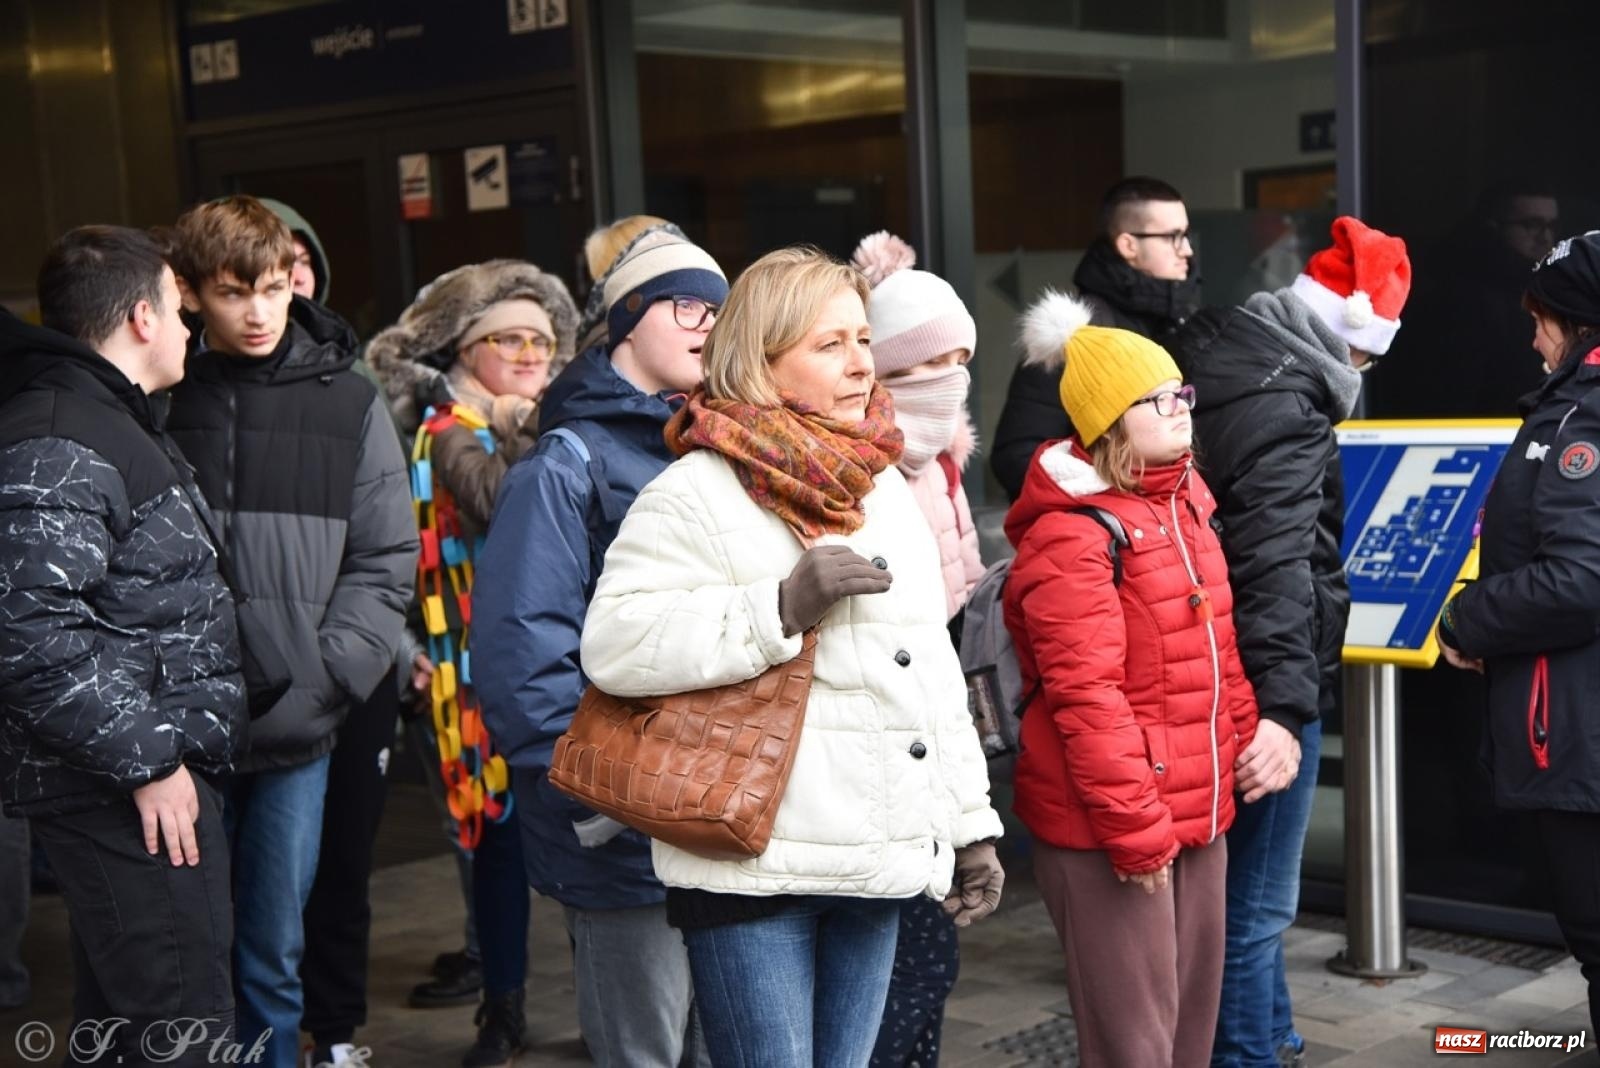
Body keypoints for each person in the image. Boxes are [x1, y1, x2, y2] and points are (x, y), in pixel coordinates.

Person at [576, 245, 1006, 1067]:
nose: (859, 363)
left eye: (861, 339)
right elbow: (617, 647)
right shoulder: (696, 488)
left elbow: (929, 676)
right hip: (750, 863)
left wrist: (968, 827)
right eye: (828, 344)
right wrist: (777, 607)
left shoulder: (877, 485)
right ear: (763, 361)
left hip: (874, 860)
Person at [166, 195, 417, 1068]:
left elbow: (387, 560)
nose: (262, 310)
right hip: (178, 736)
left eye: (274, 287)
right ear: (192, 294)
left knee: (274, 954)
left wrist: (323, 680)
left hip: (300, 729)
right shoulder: (159, 394)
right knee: (185, 958)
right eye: (237, 292)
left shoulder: (348, 402)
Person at [473, 222, 727, 1067]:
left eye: (720, 311)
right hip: (620, 828)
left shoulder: (721, 448)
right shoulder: (565, 462)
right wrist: (594, 799)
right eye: (686, 302)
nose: (707, 323)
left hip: (722, 815)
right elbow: (521, 655)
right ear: (627, 316)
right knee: (643, 1051)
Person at [1167, 216, 1411, 1068]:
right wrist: (1285, 705)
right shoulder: (1289, 402)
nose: (1363, 374)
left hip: (1210, 665)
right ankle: (1247, 1053)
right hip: (1260, 679)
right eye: (1368, 356)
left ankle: (1271, 1036)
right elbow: (1276, 564)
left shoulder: (1228, 356)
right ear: (1344, 335)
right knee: (1257, 904)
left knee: (1242, 898)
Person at [0, 225, 247, 1065]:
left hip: (138, 788)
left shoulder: (102, 419)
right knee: (179, 1030)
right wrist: (149, 759)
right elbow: (26, 628)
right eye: (182, 311)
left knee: (130, 1032)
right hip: (129, 794)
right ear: (142, 317)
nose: (191, 329)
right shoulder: (63, 432)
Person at [1002, 291, 1259, 1067]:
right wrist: (1136, 832)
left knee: (1188, 1036)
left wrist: (1239, 745)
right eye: (1157, 398)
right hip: (1113, 826)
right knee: (1132, 1047)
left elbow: (1219, 646)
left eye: (1182, 391)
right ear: (1108, 420)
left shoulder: (1185, 502)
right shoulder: (1071, 536)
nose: (1181, 407)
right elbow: (1087, 697)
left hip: (1198, 807)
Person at [368, 257, 579, 1068]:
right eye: (509, 339)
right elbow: (497, 498)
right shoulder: (450, 428)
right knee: (497, 842)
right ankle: (503, 1011)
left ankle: (606, 1003)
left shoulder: (533, 417)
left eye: (541, 340)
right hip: (474, 675)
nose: (530, 352)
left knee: (578, 843)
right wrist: (529, 425)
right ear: (467, 351)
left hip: (556, 662)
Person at [251, 198, 408, 1068]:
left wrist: (340, 667)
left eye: (297, 267)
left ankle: (335, 1030)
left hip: (350, 666)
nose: (286, 287)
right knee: (264, 891)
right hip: (248, 681)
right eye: (265, 271)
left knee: (342, 861)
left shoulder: (351, 384)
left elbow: (387, 544)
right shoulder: (193, 387)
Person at [1435, 229, 1600, 1040]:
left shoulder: (1583, 423)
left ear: (1575, 323)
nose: (1531, 337)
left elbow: (1583, 578)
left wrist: (1467, 618)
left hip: (1581, 731)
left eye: (1541, 319)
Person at [850, 230, 986, 1066]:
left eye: (961, 361)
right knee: (895, 976)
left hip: (937, 741)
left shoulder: (940, 465)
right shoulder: (867, 474)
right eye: (919, 370)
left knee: (928, 969)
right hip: (882, 756)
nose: (948, 384)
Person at [991, 176, 1200, 499]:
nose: (1186, 249)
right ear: (1128, 244)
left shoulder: (1180, 320)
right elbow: (1018, 456)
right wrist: (1108, 516)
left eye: (1185, 234)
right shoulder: (1080, 333)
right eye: (1173, 236)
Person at [1380, 182, 1560, 416]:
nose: (1544, 237)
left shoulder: (1549, 286)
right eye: (1531, 225)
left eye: (1551, 226)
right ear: (1493, 227)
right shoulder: (1459, 298)